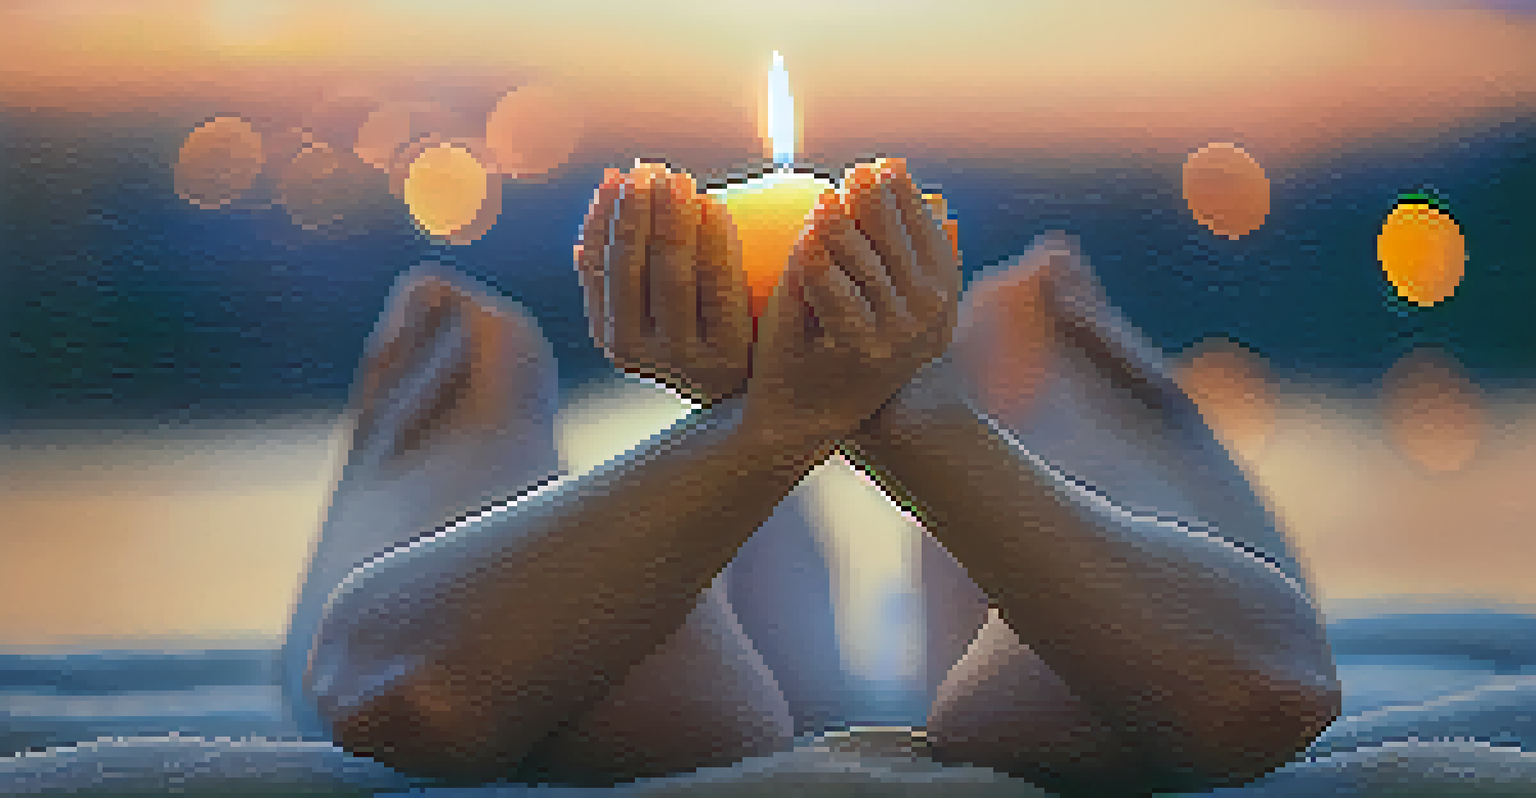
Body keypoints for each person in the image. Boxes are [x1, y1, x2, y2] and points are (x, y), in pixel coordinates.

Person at [290, 158, 1341, 796]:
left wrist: (772, 427)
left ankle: (474, 407)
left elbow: (1261, 694)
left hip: (551, 610)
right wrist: (881, 418)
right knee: (1044, 346)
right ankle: (1045, 374)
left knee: (461, 365)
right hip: (1057, 540)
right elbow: (403, 693)